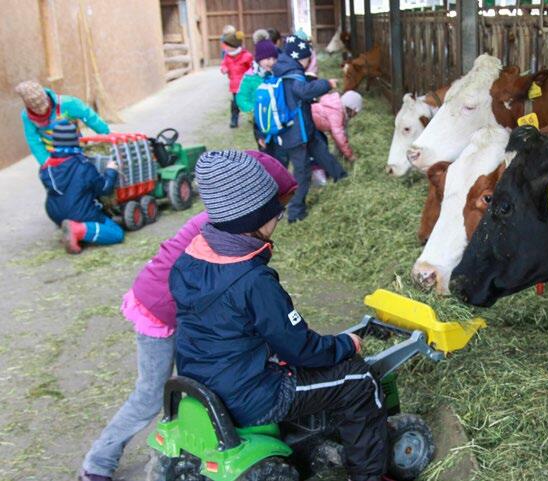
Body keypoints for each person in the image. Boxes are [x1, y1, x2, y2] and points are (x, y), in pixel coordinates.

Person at [77, 151, 296, 481]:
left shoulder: (228, 224)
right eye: (275, 205)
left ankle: (210, 441)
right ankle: (98, 462)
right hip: (159, 310)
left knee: (209, 374)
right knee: (151, 395)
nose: (277, 215)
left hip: (183, 308)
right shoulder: (223, 231)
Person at [170, 150, 388, 481]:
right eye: (276, 211)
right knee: (357, 380)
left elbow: (225, 323)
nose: (280, 217)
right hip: (252, 396)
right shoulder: (253, 280)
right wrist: (345, 344)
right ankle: (371, 475)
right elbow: (299, 347)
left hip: (203, 381)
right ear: (251, 219)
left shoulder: (189, 260)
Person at [271, 35, 339, 223]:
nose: (309, 62)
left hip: (299, 129)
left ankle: (340, 175)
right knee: (302, 173)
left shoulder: (282, 70)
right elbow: (303, 91)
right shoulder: (292, 74)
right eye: (308, 58)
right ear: (301, 57)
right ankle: (295, 212)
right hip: (295, 134)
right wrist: (326, 84)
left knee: (319, 149)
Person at [39, 123, 123, 254]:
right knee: (116, 233)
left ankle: (70, 229)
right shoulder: (83, 165)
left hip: (55, 214)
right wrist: (111, 170)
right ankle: (78, 229)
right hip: (79, 213)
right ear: (76, 140)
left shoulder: (45, 166)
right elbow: (105, 188)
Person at [15, 80, 110, 166]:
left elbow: (89, 116)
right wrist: (45, 160)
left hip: (76, 146)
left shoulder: (68, 103)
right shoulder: (26, 116)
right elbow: (33, 139)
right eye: (37, 110)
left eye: (44, 107)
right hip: (52, 153)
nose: (42, 111)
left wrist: (105, 133)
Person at [220, 30, 253, 128]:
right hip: (234, 86)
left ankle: (252, 117)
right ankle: (234, 120)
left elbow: (252, 68)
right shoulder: (227, 57)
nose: (225, 48)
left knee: (249, 102)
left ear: (233, 45)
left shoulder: (246, 56)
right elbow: (224, 65)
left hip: (246, 85)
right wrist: (224, 69)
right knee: (235, 104)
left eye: (227, 46)